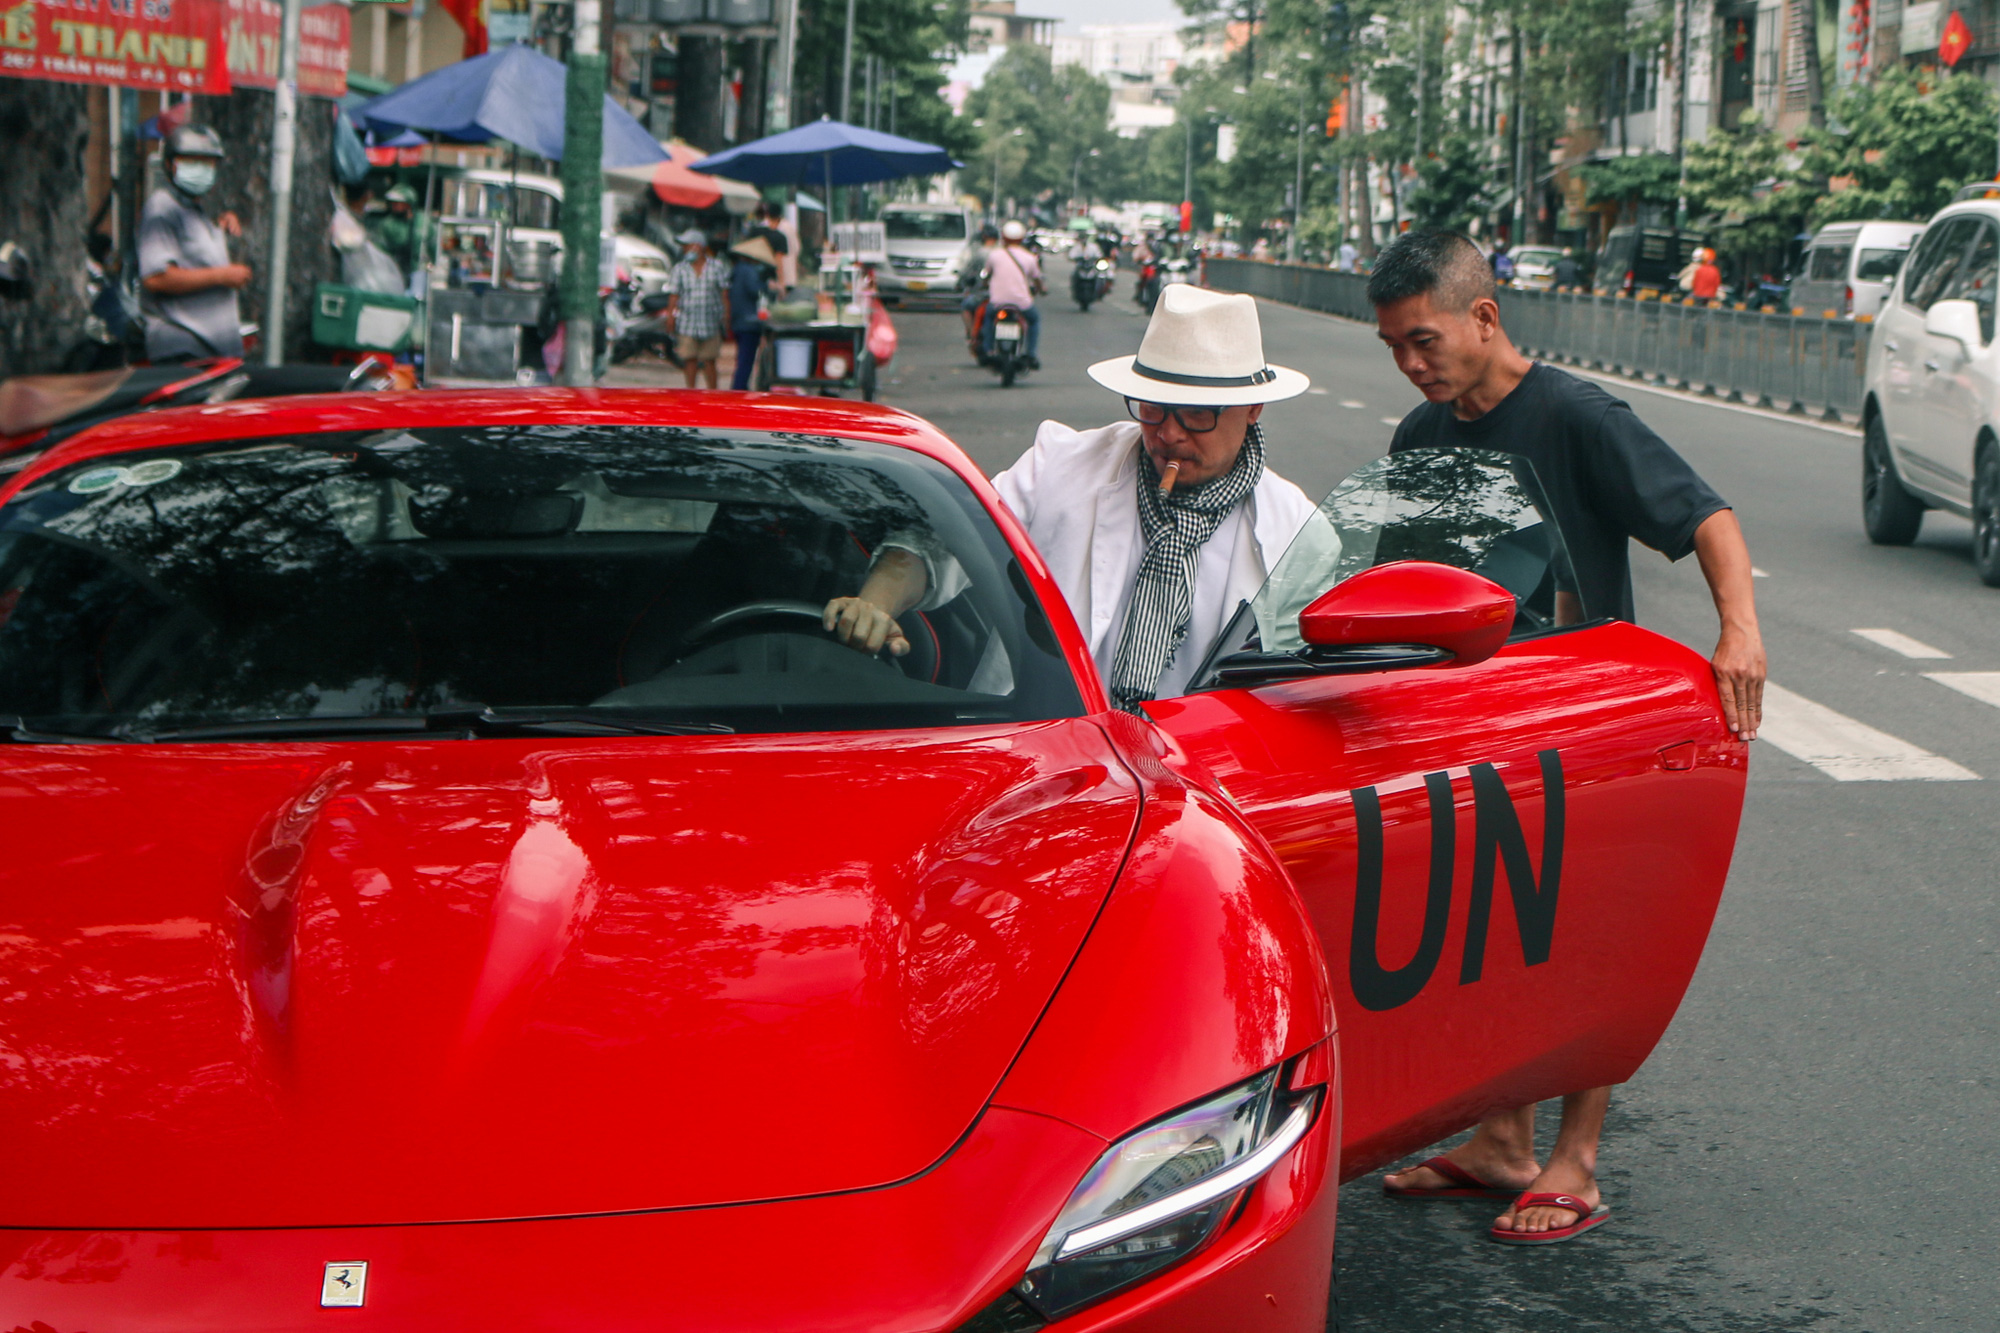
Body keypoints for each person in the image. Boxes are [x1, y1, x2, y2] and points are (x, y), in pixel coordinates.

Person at [1367, 229, 1766, 1244]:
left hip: (1574, 724)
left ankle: (1573, 1159)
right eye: (1396, 350)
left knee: (1585, 935)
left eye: (1423, 341)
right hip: (1462, 724)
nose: (1412, 366)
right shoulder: (1420, 438)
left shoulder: (1577, 416)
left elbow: (1705, 517)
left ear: (1483, 318)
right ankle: (1500, 1141)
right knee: (1493, 938)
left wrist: (1737, 635)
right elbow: (1394, 581)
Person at [820, 287, 1318, 711]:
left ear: (1253, 408)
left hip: (1199, 779)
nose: (1168, 434)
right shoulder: (1060, 464)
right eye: (1152, 408)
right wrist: (876, 602)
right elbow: (950, 538)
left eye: (1195, 415)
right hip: (1042, 753)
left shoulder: (1295, 532)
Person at [137, 124, 250, 363]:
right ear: (169, 165)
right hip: (183, 347)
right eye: (191, 161)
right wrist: (222, 276)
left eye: (207, 163)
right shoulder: (162, 207)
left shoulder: (193, 211)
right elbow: (156, 277)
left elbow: (195, 256)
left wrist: (221, 229)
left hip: (210, 348)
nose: (200, 169)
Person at [666, 228, 728, 389]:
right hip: (687, 320)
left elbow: (724, 294)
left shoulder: (716, 267)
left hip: (710, 321)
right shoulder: (680, 269)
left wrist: (726, 317)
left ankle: (713, 394)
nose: (685, 249)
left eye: (687, 245)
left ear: (698, 246)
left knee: (709, 360)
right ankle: (691, 392)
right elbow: (674, 295)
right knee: (689, 359)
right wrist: (670, 317)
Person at [982, 219, 1043, 367]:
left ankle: (988, 350)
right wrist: (1041, 289)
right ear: (1022, 238)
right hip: (1022, 303)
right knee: (1034, 321)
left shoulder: (994, 255)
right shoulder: (1030, 258)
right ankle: (1031, 354)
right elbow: (1037, 279)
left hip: (998, 301)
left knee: (989, 319)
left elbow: (986, 274)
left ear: (1003, 237)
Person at [726, 234, 778, 391]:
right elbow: (755, 291)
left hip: (738, 320)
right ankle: (739, 388)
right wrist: (768, 288)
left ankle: (739, 386)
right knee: (746, 359)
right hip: (748, 322)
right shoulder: (748, 271)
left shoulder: (737, 270)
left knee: (742, 358)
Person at [960, 223, 999, 348]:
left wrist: (961, 282)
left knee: (966, 305)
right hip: (1004, 297)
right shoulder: (1003, 253)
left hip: (983, 294)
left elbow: (967, 272)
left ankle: (972, 335)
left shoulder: (980, 253)